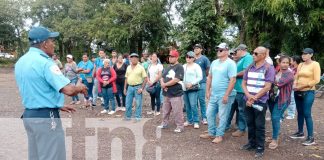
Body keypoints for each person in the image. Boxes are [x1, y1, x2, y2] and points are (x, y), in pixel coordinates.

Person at [15, 26, 87, 160]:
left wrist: (56, 105)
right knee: (53, 156)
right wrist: (79, 86)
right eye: (51, 40)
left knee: (36, 155)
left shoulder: (21, 61)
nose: (53, 44)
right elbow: (69, 90)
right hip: (46, 117)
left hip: (29, 116)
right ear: (44, 44)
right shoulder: (46, 63)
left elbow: (35, 88)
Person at [240, 46, 275, 158]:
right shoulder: (250, 66)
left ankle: (260, 147)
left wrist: (254, 97)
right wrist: (248, 96)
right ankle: (251, 143)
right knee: (250, 123)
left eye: (256, 53)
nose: (253, 55)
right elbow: (243, 83)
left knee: (259, 125)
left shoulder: (269, 68)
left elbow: (267, 87)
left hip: (260, 101)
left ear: (263, 55)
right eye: (253, 53)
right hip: (248, 99)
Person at [199, 43, 237, 143]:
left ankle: (219, 135)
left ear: (227, 51)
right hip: (214, 94)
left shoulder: (230, 63)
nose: (218, 51)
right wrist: (207, 90)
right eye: (217, 50)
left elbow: (233, 80)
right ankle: (211, 132)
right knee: (209, 113)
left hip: (224, 94)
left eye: (221, 50)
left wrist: (226, 95)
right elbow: (210, 77)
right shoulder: (214, 62)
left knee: (223, 115)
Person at [290, 48, 321, 146]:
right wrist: (295, 84)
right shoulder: (301, 65)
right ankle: (300, 132)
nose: (303, 55)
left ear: (311, 55)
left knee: (307, 113)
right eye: (302, 54)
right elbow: (296, 76)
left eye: (306, 54)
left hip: (308, 92)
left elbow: (316, 80)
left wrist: (302, 86)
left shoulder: (315, 64)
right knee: (300, 112)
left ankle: (311, 137)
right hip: (297, 91)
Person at [269, 56, 294, 149]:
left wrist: (268, 80)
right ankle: (275, 135)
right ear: (279, 63)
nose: (285, 64)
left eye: (287, 63)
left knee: (275, 117)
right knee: (274, 117)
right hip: (272, 98)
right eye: (283, 62)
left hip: (283, 99)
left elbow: (278, 84)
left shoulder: (289, 74)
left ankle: (275, 139)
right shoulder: (276, 72)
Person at [157, 50, 185, 133]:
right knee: (165, 110)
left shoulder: (179, 67)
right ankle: (164, 123)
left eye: (172, 56)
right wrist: (162, 83)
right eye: (170, 56)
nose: (170, 58)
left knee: (177, 111)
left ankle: (180, 126)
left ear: (177, 57)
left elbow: (176, 79)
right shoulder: (168, 67)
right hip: (166, 93)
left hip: (176, 93)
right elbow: (162, 77)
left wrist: (165, 85)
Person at [231, 44, 253, 137]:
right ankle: (240, 127)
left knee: (242, 110)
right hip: (238, 88)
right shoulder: (241, 59)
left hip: (242, 89)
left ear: (241, 50)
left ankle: (242, 128)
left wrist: (234, 75)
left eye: (237, 51)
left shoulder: (248, 57)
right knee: (238, 108)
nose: (236, 53)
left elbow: (245, 71)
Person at [123, 53, 147, 121]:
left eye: (135, 58)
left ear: (138, 59)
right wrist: (125, 88)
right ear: (130, 59)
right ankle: (128, 117)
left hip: (138, 87)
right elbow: (126, 78)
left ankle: (138, 117)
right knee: (128, 103)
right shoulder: (128, 67)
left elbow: (145, 78)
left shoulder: (141, 67)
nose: (134, 59)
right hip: (129, 87)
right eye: (132, 57)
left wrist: (142, 88)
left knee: (138, 103)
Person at [183, 51, 202, 129]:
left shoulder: (196, 66)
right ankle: (189, 120)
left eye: (190, 57)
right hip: (184, 88)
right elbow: (181, 76)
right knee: (187, 106)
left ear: (194, 58)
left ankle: (196, 121)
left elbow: (200, 77)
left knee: (193, 105)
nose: (188, 58)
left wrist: (192, 83)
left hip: (193, 88)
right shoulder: (183, 66)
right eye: (187, 56)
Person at [193, 44, 210, 125]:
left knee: (202, 101)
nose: (196, 49)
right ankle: (195, 118)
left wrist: (204, 77)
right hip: (192, 83)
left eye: (197, 48)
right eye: (195, 48)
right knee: (194, 101)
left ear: (201, 49)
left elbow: (208, 69)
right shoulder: (191, 58)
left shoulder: (204, 59)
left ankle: (204, 117)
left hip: (202, 82)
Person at [286, 55, 301, 119]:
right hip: (290, 85)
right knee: (290, 99)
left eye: (291, 60)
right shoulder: (292, 68)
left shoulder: (298, 68)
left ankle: (291, 114)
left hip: (295, 86)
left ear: (295, 61)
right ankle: (291, 112)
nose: (290, 61)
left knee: (292, 100)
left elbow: (295, 78)